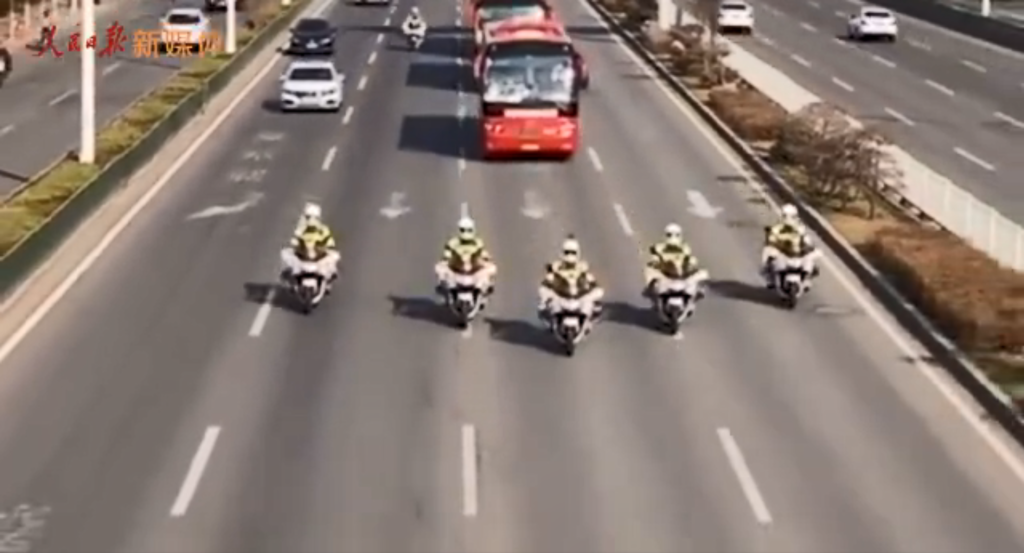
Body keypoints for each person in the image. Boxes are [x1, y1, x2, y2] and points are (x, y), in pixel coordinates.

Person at [538, 235, 604, 323]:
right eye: (567, 252)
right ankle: (552, 319)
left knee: (593, 299)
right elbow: (547, 281)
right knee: (546, 299)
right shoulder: (556, 266)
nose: (570, 255)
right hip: (561, 293)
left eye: (573, 252)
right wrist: (545, 297)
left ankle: (588, 319)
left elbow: (592, 281)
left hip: (578, 294)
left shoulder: (583, 267)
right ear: (562, 252)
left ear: (578, 253)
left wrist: (594, 291)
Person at [281, 202, 340, 291]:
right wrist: (297, 245)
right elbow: (295, 240)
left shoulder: (322, 230)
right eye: (309, 217)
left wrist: (326, 247)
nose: (312, 220)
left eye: (314, 217)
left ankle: (328, 281)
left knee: (334, 257)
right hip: (305, 254)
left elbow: (330, 242)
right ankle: (292, 279)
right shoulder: (301, 229)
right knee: (287, 254)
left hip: (317, 254)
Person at [435, 216, 496, 299]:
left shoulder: (478, 243)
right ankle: (448, 286)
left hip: (473, 268)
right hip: (457, 267)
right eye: (463, 230)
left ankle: (482, 287)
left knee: (491, 268)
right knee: (440, 267)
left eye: (469, 230)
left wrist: (485, 258)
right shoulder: (453, 243)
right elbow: (446, 255)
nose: (466, 233)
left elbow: (484, 254)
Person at [760, 203, 818, 288]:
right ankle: (770, 277)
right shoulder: (778, 227)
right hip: (783, 251)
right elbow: (772, 237)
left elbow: (806, 238)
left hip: (796, 252)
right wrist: (772, 241)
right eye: (786, 216)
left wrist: (808, 245)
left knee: (811, 258)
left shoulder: (800, 227)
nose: (788, 218)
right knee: (768, 255)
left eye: (791, 216)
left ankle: (807, 279)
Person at [643, 223, 704, 302]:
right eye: (669, 235)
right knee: (649, 270)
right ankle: (650, 289)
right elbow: (654, 256)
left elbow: (690, 259)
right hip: (666, 272)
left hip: (682, 273)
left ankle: (698, 290)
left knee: (701, 273)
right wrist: (656, 262)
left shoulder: (685, 247)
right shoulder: (659, 247)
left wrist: (691, 264)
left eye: (676, 235)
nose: (673, 237)